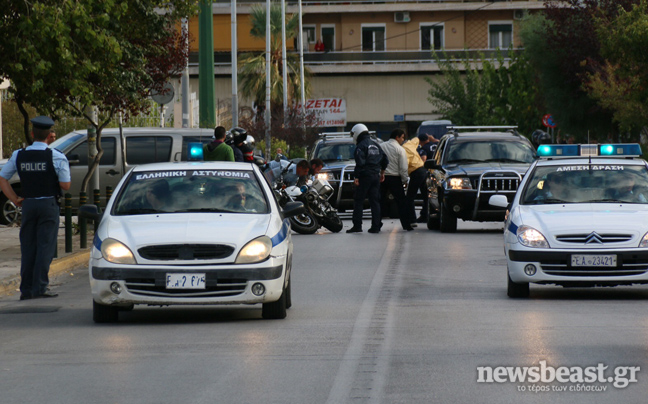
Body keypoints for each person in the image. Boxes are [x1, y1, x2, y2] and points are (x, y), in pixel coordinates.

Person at [0, 116, 71, 300]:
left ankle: (26, 289)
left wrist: (15, 199)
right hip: (48, 205)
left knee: (28, 246)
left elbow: (2, 179)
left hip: (28, 204)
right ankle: (40, 287)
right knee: (45, 246)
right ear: (50, 136)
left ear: (32, 134)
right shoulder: (56, 156)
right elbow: (65, 185)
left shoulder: (19, 155)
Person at [347, 123, 388, 234]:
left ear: (357, 133)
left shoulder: (361, 146)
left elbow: (360, 163)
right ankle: (376, 226)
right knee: (375, 201)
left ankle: (357, 226)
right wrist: (382, 172)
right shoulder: (376, 145)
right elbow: (385, 159)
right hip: (376, 176)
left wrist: (356, 176)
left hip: (365, 176)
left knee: (359, 200)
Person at [380, 129, 413, 231]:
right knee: (401, 202)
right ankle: (406, 225)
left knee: (379, 201)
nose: (403, 140)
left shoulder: (381, 146)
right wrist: (405, 180)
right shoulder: (400, 149)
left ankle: (376, 225)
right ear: (397, 137)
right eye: (402, 137)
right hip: (395, 178)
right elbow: (403, 168)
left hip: (382, 177)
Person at [403, 136, 429, 224]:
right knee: (426, 196)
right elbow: (417, 139)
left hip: (416, 172)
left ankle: (412, 220)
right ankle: (426, 216)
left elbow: (404, 166)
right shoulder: (410, 143)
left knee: (410, 197)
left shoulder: (403, 151)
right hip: (423, 170)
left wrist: (404, 179)